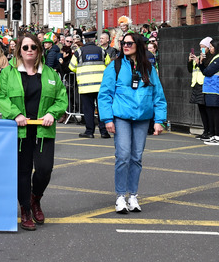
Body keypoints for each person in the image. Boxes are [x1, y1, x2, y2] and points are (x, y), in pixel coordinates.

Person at [0, 33, 69, 231]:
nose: (29, 51)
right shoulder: (9, 73)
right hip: (19, 132)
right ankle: (25, 209)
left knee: (44, 170)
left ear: (39, 50)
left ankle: (36, 199)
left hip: (43, 131)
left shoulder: (50, 73)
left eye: (33, 47)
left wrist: (53, 113)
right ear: (19, 49)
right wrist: (15, 114)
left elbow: (62, 98)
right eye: (25, 47)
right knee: (22, 172)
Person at [98, 32, 167, 214]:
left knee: (136, 157)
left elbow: (158, 96)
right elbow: (104, 94)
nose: (125, 46)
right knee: (123, 155)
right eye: (123, 43)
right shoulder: (115, 67)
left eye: (129, 43)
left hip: (142, 118)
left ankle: (133, 195)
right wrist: (107, 119)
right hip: (121, 117)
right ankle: (120, 196)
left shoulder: (149, 68)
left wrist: (159, 121)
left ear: (138, 45)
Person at [70, 34, 111, 138]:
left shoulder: (79, 52)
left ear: (85, 40)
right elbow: (108, 64)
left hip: (85, 86)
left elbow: (72, 67)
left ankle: (89, 132)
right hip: (100, 85)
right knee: (102, 108)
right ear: (94, 40)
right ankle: (104, 132)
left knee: (88, 110)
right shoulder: (102, 51)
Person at [195, 37, 219, 146]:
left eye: (211, 47)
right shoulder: (216, 57)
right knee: (210, 112)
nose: (210, 49)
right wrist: (200, 63)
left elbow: (207, 72)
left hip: (217, 89)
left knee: (216, 112)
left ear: (216, 47)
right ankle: (213, 135)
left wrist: (201, 65)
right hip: (211, 88)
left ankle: (218, 137)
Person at [186, 40, 211, 141]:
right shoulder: (199, 57)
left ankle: (210, 131)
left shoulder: (209, 58)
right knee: (201, 109)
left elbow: (206, 70)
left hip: (204, 85)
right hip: (196, 85)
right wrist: (190, 61)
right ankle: (206, 131)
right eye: (200, 47)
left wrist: (200, 62)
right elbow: (190, 70)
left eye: (204, 47)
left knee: (207, 109)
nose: (201, 49)